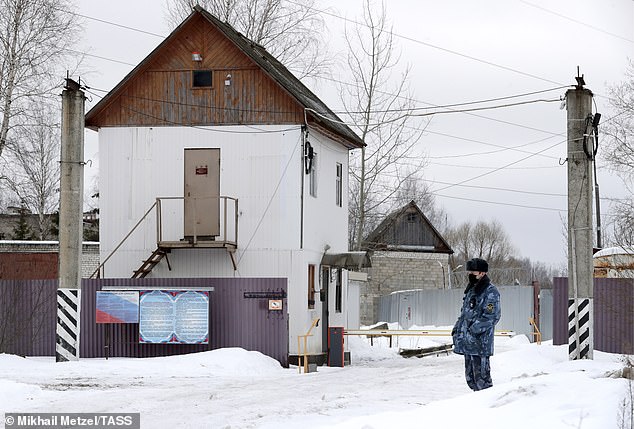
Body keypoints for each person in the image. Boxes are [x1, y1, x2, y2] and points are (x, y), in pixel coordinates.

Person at [452, 257, 501, 391]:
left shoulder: (490, 292)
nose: (470, 275)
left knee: (482, 381)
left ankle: (489, 407)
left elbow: (492, 316)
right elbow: (465, 314)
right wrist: (457, 329)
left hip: (480, 344)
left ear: (482, 273)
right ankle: (477, 407)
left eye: (473, 272)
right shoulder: (471, 290)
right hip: (468, 344)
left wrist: (473, 330)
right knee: (471, 379)